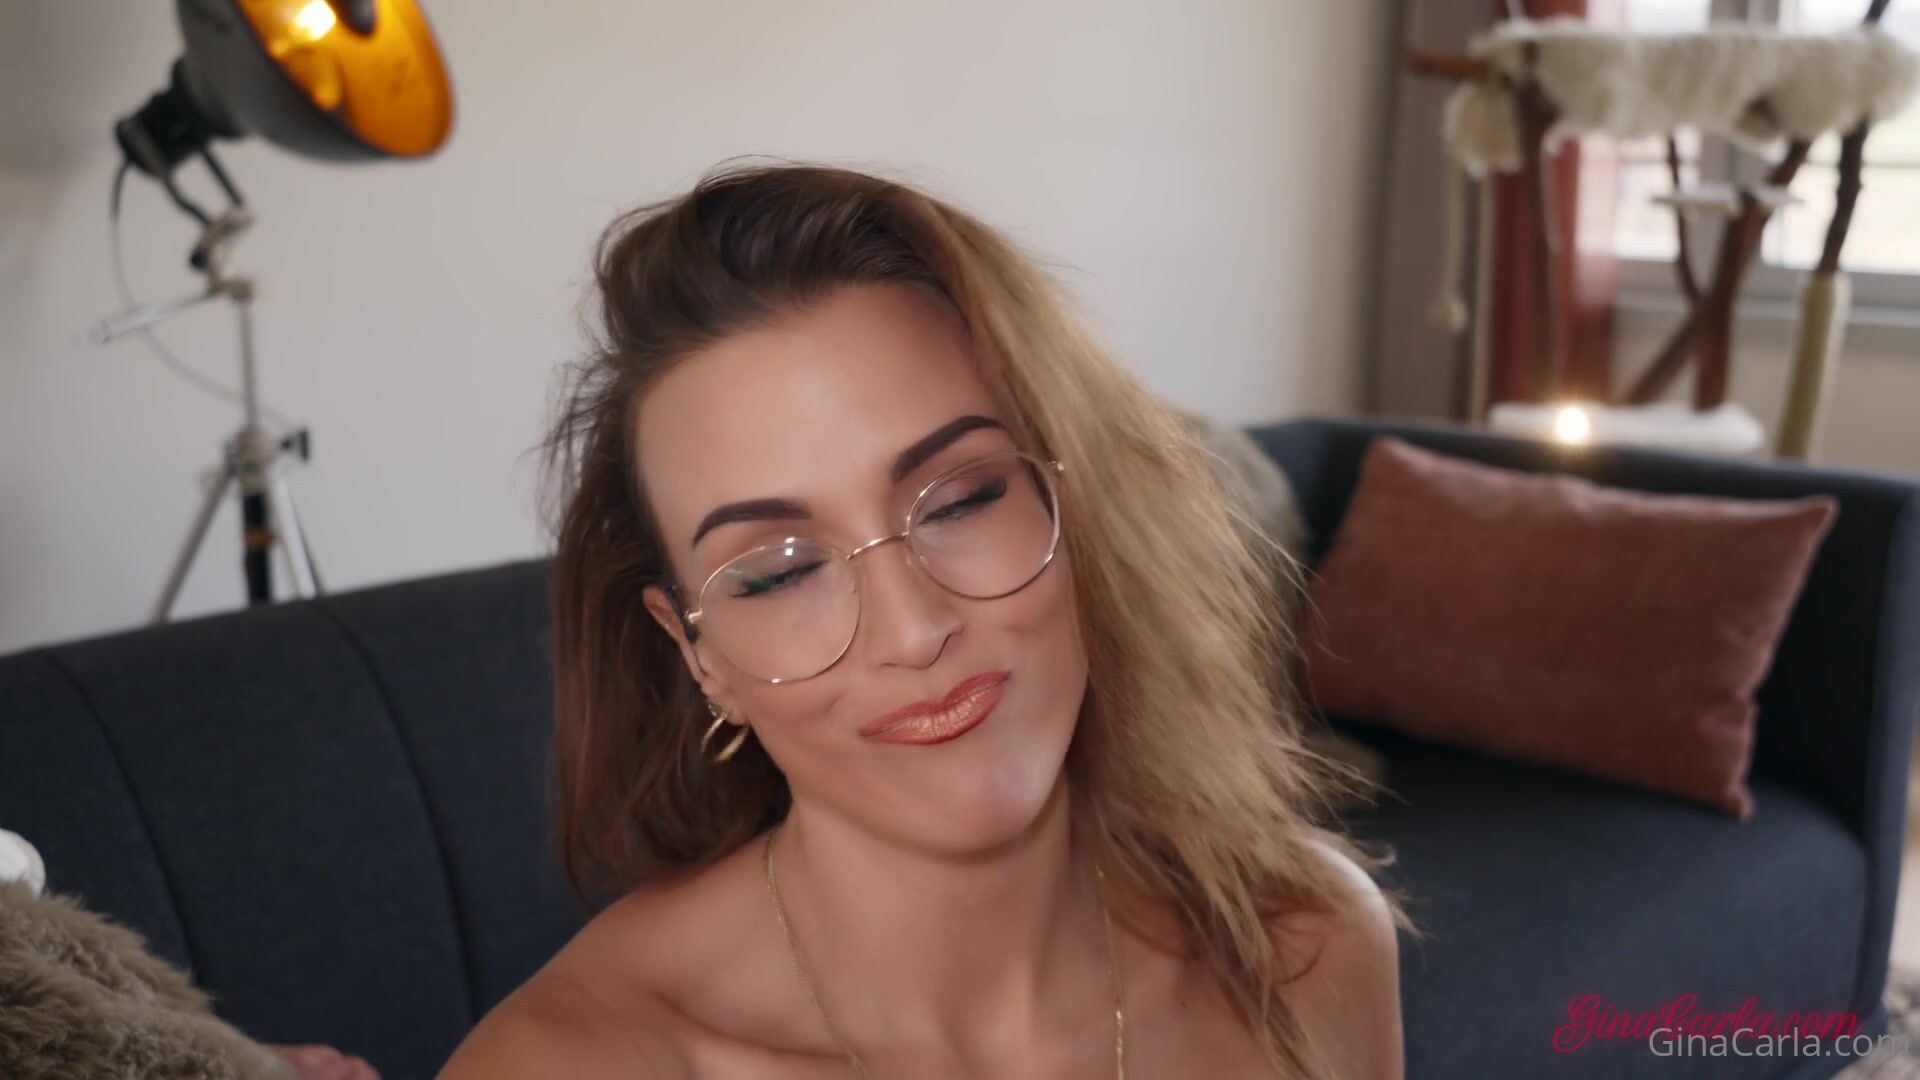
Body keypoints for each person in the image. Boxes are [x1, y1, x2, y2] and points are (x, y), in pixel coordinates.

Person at [439, 161, 1410, 1078]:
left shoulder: (1310, 949)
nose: (913, 631)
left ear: (1080, 504)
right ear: (699, 655)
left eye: (962, 500)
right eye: (781, 574)